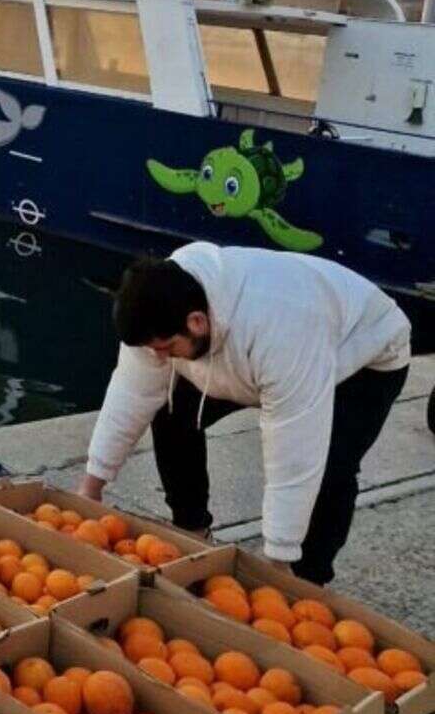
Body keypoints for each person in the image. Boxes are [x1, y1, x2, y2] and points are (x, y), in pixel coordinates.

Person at [81, 243, 411, 584]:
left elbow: (294, 449)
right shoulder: (158, 301)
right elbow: (133, 392)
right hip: (249, 353)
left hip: (362, 356)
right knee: (171, 407)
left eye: (166, 349)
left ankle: (307, 580)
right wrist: (92, 486)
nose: (161, 358)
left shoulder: (281, 328)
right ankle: (193, 530)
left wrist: (278, 558)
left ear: (195, 322)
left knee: (330, 468)